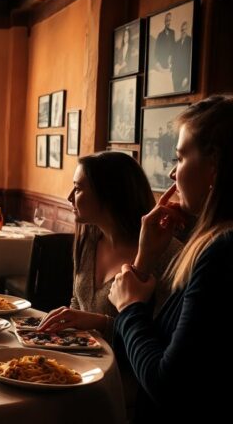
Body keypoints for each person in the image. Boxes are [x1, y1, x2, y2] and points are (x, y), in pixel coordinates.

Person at [108, 95, 233, 420]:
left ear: (214, 165)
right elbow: (138, 348)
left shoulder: (221, 253)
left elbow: (168, 386)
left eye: (180, 157)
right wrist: (145, 257)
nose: (173, 174)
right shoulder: (209, 244)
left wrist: (129, 307)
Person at [38, 151, 180, 341]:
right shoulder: (88, 241)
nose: (69, 197)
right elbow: (78, 302)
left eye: (78, 188)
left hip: (124, 361)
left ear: (108, 194)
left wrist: (101, 324)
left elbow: (161, 337)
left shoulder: (165, 253)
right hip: (82, 356)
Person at [172, 21, 192, 92]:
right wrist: (173, 75)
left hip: (185, 77)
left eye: (185, 29)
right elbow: (174, 60)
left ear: (188, 30)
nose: (183, 31)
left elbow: (190, 61)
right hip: (176, 77)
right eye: (182, 30)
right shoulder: (176, 43)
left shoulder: (190, 41)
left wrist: (187, 77)